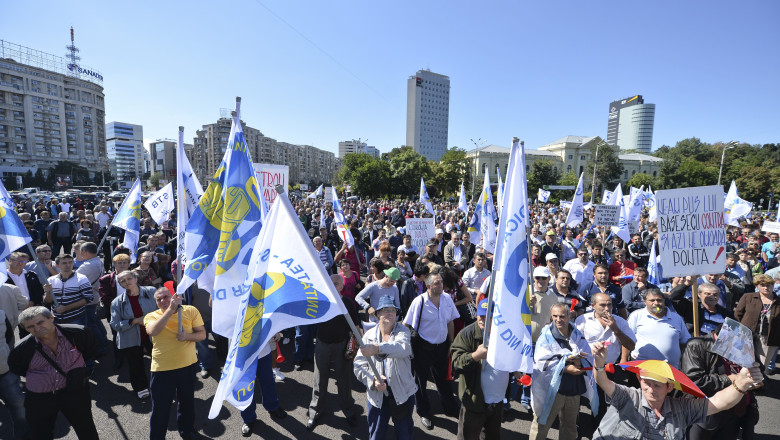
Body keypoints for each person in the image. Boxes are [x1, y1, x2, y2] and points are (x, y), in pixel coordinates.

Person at [590, 339, 763, 440]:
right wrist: (599, 363)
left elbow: (719, 403)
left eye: (657, 385)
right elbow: (602, 381)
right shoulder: (628, 396)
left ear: (670, 386)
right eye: (646, 383)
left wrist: (741, 384)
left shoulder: (682, 408)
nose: (650, 389)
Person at [8, 306, 99, 440]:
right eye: (30, 327)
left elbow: (90, 350)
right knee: (42, 433)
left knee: (86, 428)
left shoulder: (77, 333)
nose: (37, 329)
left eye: (40, 322)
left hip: (75, 391)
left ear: (51, 317)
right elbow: (18, 368)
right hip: (41, 397)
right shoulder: (21, 349)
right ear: (24, 328)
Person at [144, 287, 206, 440]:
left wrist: (187, 336)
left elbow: (202, 335)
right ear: (156, 303)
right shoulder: (152, 316)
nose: (163, 301)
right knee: (160, 408)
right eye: (159, 299)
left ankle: (187, 431)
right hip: (162, 369)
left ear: (173, 296)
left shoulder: (190, 311)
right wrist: (170, 310)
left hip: (188, 366)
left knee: (187, 403)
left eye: (166, 297)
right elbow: (153, 331)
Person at [451, 298, 517, 440]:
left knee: (493, 436)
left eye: (488, 317)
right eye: (481, 315)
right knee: (468, 436)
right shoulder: (466, 335)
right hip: (475, 401)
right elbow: (456, 364)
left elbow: (510, 357)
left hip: (497, 401)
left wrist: (516, 371)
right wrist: (475, 356)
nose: (483, 320)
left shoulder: (504, 334)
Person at [354, 295, 417, 440]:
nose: (389, 313)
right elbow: (358, 366)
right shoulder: (368, 336)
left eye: (393, 310)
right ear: (377, 314)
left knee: (404, 434)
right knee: (376, 435)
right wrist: (372, 380)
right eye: (385, 310)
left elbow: (403, 348)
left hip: (402, 394)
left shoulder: (403, 331)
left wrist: (377, 348)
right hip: (377, 396)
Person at [403, 270, 460, 429]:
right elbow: (406, 324)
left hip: (442, 347)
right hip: (423, 348)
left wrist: (451, 343)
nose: (441, 284)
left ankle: (450, 408)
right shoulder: (419, 302)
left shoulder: (447, 299)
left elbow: (450, 321)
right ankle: (424, 412)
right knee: (420, 382)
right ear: (428, 285)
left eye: (441, 282)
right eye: (437, 282)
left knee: (444, 380)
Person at [681, 325, 760, 440]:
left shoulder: (742, 345)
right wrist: (731, 379)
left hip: (735, 413)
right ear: (723, 338)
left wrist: (759, 383)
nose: (741, 351)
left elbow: (760, 374)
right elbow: (695, 381)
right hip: (707, 415)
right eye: (737, 347)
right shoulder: (696, 345)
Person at [529, 303, 595, 440]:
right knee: (541, 424)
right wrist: (565, 369)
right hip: (552, 390)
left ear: (570, 316)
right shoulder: (546, 336)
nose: (558, 319)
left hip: (573, 389)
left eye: (562, 316)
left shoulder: (577, 334)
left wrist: (579, 363)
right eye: (555, 316)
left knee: (570, 427)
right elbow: (541, 362)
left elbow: (588, 356)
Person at [575, 293, 636, 430]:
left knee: (603, 404)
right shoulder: (582, 320)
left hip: (608, 369)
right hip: (586, 367)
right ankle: (575, 427)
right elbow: (574, 344)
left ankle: (599, 430)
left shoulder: (619, 322)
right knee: (580, 399)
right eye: (602, 305)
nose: (607, 308)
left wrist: (616, 329)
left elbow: (631, 345)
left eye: (609, 304)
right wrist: (590, 349)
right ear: (593, 306)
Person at [306, 274, 360, 430]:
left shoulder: (347, 303)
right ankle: (314, 412)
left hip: (341, 345)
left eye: (336, 283)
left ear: (342, 286)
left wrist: (359, 344)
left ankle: (349, 411)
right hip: (322, 344)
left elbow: (355, 325)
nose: (333, 285)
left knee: (344, 380)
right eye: (330, 283)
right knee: (319, 380)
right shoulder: (320, 301)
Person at [110, 270, 157, 399]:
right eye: (122, 281)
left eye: (129, 279)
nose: (126, 282)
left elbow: (162, 310)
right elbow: (115, 325)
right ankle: (141, 388)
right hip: (130, 338)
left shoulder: (152, 291)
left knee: (160, 361)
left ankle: (161, 385)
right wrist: (134, 321)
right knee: (135, 364)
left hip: (154, 334)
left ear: (136, 279)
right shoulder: (116, 302)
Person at [627, 288, 691, 369]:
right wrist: (624, 359)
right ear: (644, 301)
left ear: (664, 300)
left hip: (670, 369)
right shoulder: (636, 315)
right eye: (652, 300)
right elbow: (627, 339)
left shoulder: (676, 318)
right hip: (642, 367)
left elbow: (684, 342)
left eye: (659, 300)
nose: (656, 303)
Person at [735, 273, 780, 374]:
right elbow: (738, 314)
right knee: (743, 364)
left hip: (768, 338)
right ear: (757, 286)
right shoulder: (748, 297)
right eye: (762, 285)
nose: (766, 287)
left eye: (769, 285)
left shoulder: (778, 302)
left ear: (773, 285)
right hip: (747, 336)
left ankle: (756, 387)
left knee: (760, 366)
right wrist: (741, 331)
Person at [0, 308, 29, 440]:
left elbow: (9, 337)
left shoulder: (0, 313)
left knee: (18, 404)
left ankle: (24, 435)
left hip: (4, 369)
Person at [44, 254, 92, 325]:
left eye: (70, 262)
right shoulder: (51, 280)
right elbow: (47, 302)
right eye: (64, 263)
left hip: (76, 319)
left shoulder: (81, 278)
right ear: (57, 265)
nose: (68, 265)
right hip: (56, 319)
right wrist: (48, 292)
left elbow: (88, 298)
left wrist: (65, 308)